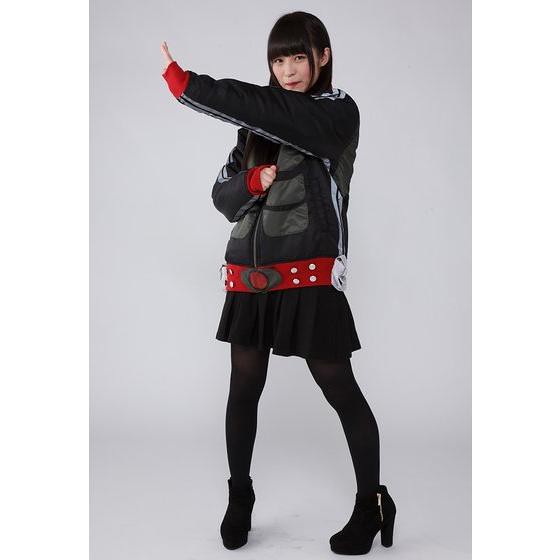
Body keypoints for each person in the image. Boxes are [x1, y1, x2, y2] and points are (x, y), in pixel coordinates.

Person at [160, 11, 396, 555]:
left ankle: (371, 505)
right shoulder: (254, 130)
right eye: (278, 59)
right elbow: (222, 198)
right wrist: (251, 180)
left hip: (309, 277)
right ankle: (239, 497)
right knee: (243, 388)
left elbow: (276, 111)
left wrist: (191, 86)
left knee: (340, 387)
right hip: (250, 279)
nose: (287, 70)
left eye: (298, 57)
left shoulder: (336, 113)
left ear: (323, 57)